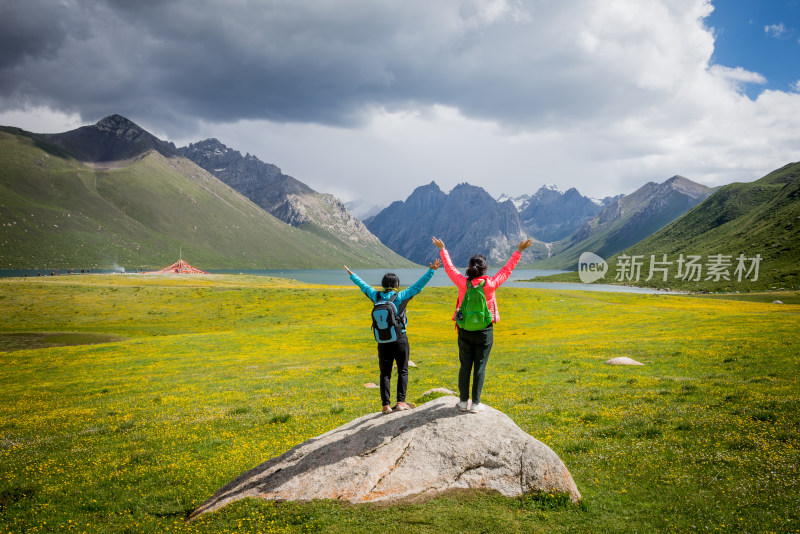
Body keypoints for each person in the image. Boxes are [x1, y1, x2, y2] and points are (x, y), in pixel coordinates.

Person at [432, 236, 533, 413]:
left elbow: (450, 268)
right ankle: (476, 403)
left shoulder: (463, 283)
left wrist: (443, 249)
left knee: (465, 366)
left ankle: (463, 402)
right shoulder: (491, 284)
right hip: (485, 331)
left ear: (470, 267)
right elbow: (507, 270)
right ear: (485, 269)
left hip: (464, 330)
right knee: (480, 366)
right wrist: (518, 252)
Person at [345, 260, 441, 414]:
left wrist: (352, 275)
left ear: (383, 285)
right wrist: (432, 271)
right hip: (400, 338)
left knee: (385, 373)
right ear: (396, 284)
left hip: (382, 341)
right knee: (402, 370)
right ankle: (401, 402)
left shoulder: (376, 295)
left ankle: (386, 406)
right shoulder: (401, 295)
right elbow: (418, 286)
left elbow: (363, 286)